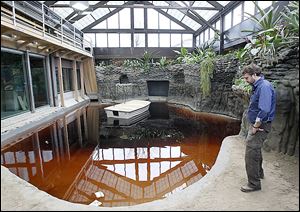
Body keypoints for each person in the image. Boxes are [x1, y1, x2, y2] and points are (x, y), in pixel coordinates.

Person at [240, 63, 276, 192]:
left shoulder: (264, 87)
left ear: (254, 75)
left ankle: (253, 184)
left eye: (247, 78)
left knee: (250, 152)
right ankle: (259, 173)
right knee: (256, 149)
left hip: (260, 125)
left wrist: (255, 126)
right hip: (257, 124)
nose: (246, 80)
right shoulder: (258, 86)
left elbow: (265, 109)